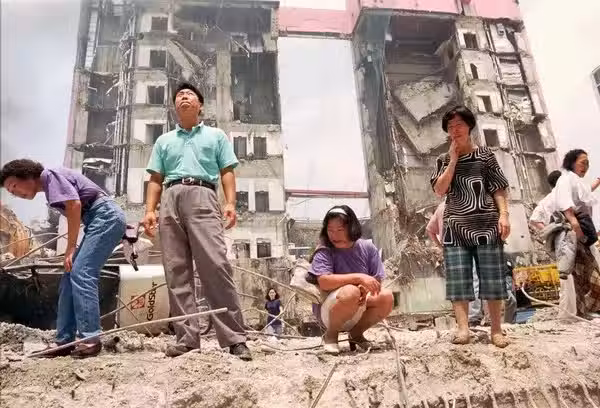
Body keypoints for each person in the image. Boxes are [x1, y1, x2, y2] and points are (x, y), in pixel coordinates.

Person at [142, 82, 251, 360]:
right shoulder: (164, 141)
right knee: (176, 271)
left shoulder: (215, 136)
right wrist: (150, 210)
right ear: (174, 107)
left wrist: (230, 203)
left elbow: (227, 171)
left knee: (215, 265)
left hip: (203, 195)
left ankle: (235, 338)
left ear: (200, 105)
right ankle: (187, 339)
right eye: (179, 95)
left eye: (189, 94)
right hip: (170, 198)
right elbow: (155, 178)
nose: (183, 97)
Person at [0, 159, 126, 358]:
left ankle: (90, 339)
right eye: (11, 192)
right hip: (97, 220)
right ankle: (64, 341)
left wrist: (70, 248)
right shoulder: (50, 187)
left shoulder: (49, 176)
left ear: (26, 175)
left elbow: (74, 205)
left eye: (14, 186)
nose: (15, 193)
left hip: (105, 217)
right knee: (68, 278)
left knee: (82, 273)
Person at [431, 106, 511, 348]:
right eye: (450, 127)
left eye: (459, 125)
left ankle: (496, 330)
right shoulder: (442, 160)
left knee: (493, 278)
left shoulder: (485, 155)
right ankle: (463, 329)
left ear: (469, 126)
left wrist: (504, 215)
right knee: (458, 279)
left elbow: (498, 188)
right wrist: (453, 160)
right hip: (455, 226)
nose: (455, 130)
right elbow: (440, 190)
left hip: (487, 224)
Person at [308, 205, 394, 354]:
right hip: (329, 310)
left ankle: (356, 334)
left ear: (352, 227)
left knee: (386, 297)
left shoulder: (368, 248)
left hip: (359, 307)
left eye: (340, 230)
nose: (334, 235)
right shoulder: (324, 250)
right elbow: (324, 281)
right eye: (330, 230)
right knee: (351, 292)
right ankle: (331, 336)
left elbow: (376, 279)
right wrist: (359, 277)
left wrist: (365, 289)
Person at [427, 200, 515, 325]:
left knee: (464, 285)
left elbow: (430, 230)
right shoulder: (469, 203)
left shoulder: (441, 207)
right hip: (471, 246)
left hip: (453, 250)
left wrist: (441, 246)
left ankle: (473, 318)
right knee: (481, 280)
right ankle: (482, 318)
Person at [553, 149, 600, 315]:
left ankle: (583, 311)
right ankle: (583, 311)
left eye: (588, 163)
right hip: (575, 232)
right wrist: (577, 230)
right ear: (572, 163)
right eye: (583, 163)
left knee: (582, 274)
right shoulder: (565, 180)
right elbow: (566, 206)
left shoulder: (575, 181)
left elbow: (586, 192)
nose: (586, 166)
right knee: (587, 274)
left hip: (582, 231)